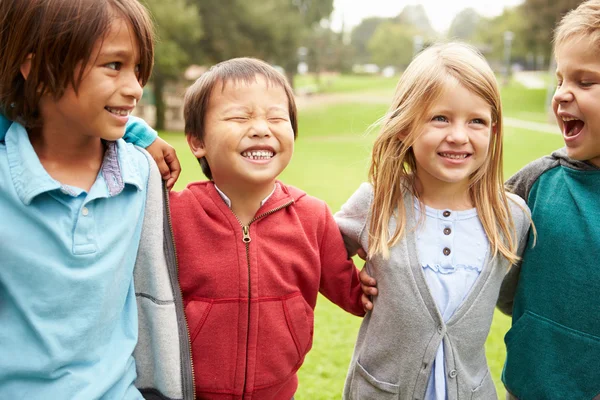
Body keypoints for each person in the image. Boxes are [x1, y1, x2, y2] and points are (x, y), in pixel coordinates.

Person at [120, 57, 369, 399]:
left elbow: (357, 297)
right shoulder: (168, 215)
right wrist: (140, 135)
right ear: (196, 142)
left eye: (276, 117)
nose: (261, 128)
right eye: (240, 117)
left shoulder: (313, 217)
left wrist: (378, 279)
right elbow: (92, 112)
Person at [0, 1, 193, 399]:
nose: (135, 88)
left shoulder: (141, 173)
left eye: (138, 69)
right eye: (113, 65)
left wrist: (138, 135)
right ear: (35, 68)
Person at [335, 42, 531, 400]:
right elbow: (315, 252)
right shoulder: (376, 203)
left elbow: (513, 297)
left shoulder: (512, 217)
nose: (458, 135)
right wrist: (348, 285)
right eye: (440, 118)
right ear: (406, 126)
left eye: (476, 121)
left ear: (493, 130)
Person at [497, 1, 600, 398]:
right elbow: (474, 222)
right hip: (526, 383)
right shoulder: (538, 179)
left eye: (584, 82)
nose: (561, 94)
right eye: (560, 79)